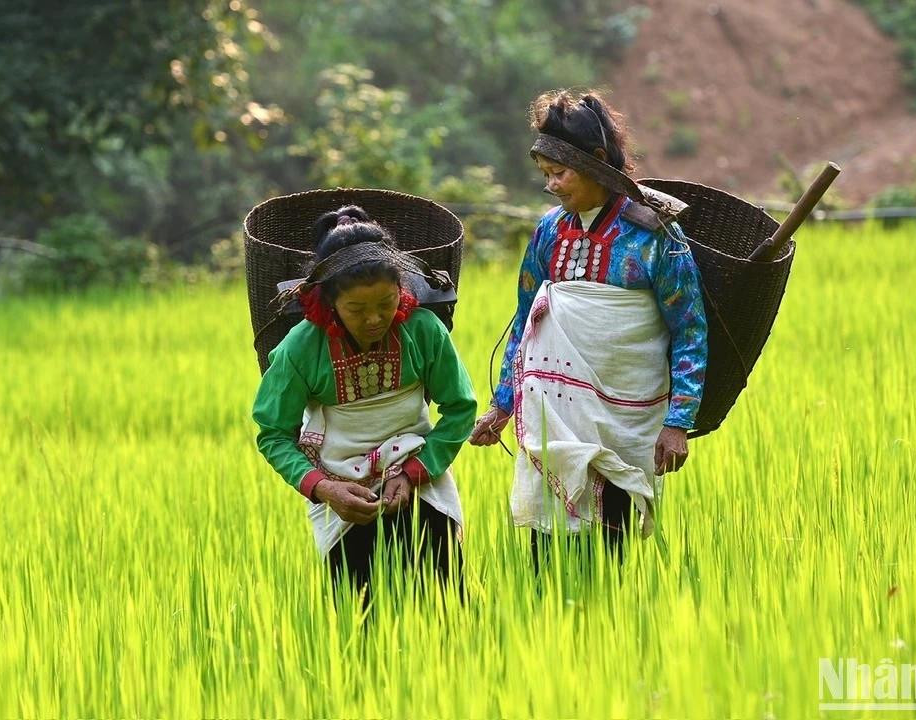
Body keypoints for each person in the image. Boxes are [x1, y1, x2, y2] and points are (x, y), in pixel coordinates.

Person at [469, 88, 708, 566]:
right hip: (553, 416)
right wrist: (502, 405)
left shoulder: (654, 237)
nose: (551, 186)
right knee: (546, 547)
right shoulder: (548, 233)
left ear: (598, 161)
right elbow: (526, 323)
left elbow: (690, 331)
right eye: (545, 175)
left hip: (626, 420)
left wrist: (678, 422)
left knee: (609, 548)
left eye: (560, 173)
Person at [252, 205, 476, 600]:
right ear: (329, 301)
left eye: (386, 304)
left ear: (401, 291)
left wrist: (412, 473)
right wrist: (323, 489)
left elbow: (460, 408)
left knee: (446, 603)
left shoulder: (423, 332)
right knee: (361, 615)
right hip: (342, 495)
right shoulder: (301, 350)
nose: (374, 319)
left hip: (420, 481)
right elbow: (274, 434)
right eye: (357, 309)